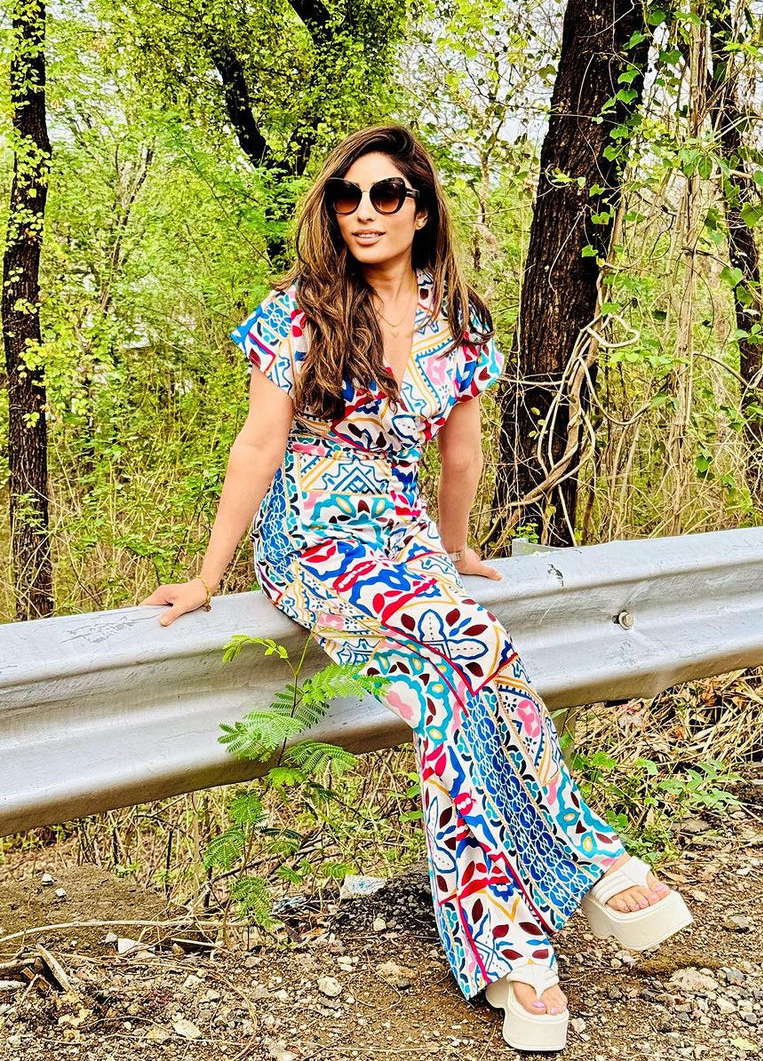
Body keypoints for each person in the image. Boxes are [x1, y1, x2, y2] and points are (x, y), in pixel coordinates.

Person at [140, 123, 692, 1052]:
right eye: (348, 197)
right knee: (482, 645)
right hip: (313, 541)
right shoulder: (299, 313)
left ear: (421, 207)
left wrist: (456, 551)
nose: (364, 213)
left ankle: (518, 958)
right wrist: (208, 574)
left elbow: (462, 453)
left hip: (405, 552)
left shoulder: (460, 321)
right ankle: (597, 857)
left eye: (386, 195)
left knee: (446, 708)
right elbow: (258, 446)